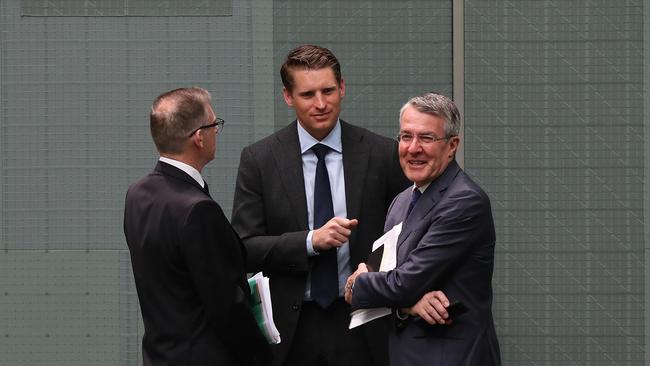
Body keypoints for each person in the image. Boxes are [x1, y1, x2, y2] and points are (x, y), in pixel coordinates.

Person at [231, 45, 411, 366]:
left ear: (342, 88)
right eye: (307, 94)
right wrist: (309, 242)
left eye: (328, 90)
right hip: (291, 329)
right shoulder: (259, 160)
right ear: (288, 97)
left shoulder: (383, 154)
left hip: (365, 320)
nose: (320, 103)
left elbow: (407, 233)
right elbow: (245, 248)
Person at [344, 92, 502, 366]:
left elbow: (401, 283)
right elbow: (390, 280)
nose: (413, 148)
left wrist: (358, 282)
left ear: (452, 146)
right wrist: (407, 305)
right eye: (406, 136)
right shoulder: (401, 201)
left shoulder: (464, 201)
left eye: (426, 138)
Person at [124, 87, 272, 366]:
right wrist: (263, 356)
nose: (217, 130)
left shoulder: (137, 195)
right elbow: (226, 306)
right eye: (215, 124)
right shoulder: (198, 210)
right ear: (199, 138)